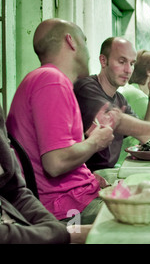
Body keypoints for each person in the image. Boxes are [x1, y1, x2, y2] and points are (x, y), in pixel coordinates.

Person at [6, 18, 115, 224]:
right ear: (71, 41)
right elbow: (55, 163)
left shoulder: (43, 79)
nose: (88, 51)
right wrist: (95, 143)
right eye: (84, 40)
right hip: (67, 210)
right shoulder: (51, 80)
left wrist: (87, 139)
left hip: (73, 199)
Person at [74, 37, 150, 172]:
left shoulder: (120, 99)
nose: (128, 70)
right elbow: (115, 120)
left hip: (107, 173)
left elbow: (147, 137)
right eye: (122, 62)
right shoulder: (87, 87)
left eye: (132, 64)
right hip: (89, 177)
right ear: (103, 60)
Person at [0, 104, 91, 243]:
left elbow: (15, 191)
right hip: (64, 207)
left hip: (35, 225)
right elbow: (55, 164)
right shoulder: (52, 85)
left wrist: (54, 229)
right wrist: (66, 234)